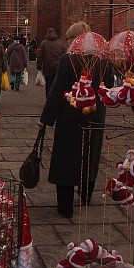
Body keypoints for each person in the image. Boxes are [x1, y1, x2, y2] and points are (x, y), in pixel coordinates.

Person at [38, 21, 114, 218]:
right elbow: (110, 87)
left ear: (77, 39)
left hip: (70, 116)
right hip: (96, 115)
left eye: (71, 38)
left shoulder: (68, 60)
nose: (68, 42)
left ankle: (65, 205)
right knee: (90, 155)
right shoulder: (105, 60)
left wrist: (46, 118)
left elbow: (56, 91)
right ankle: (86, 196)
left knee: (66, 158)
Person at [37, 27, 66, 95]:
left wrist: (39, 66)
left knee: (49, 84)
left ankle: (48, 98)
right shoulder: (60, 43)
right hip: (58, 68)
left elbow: (40, 56)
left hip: (48, 67)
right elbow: (64, 54)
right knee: (57, 84)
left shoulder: (44, 43)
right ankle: (56, 99)